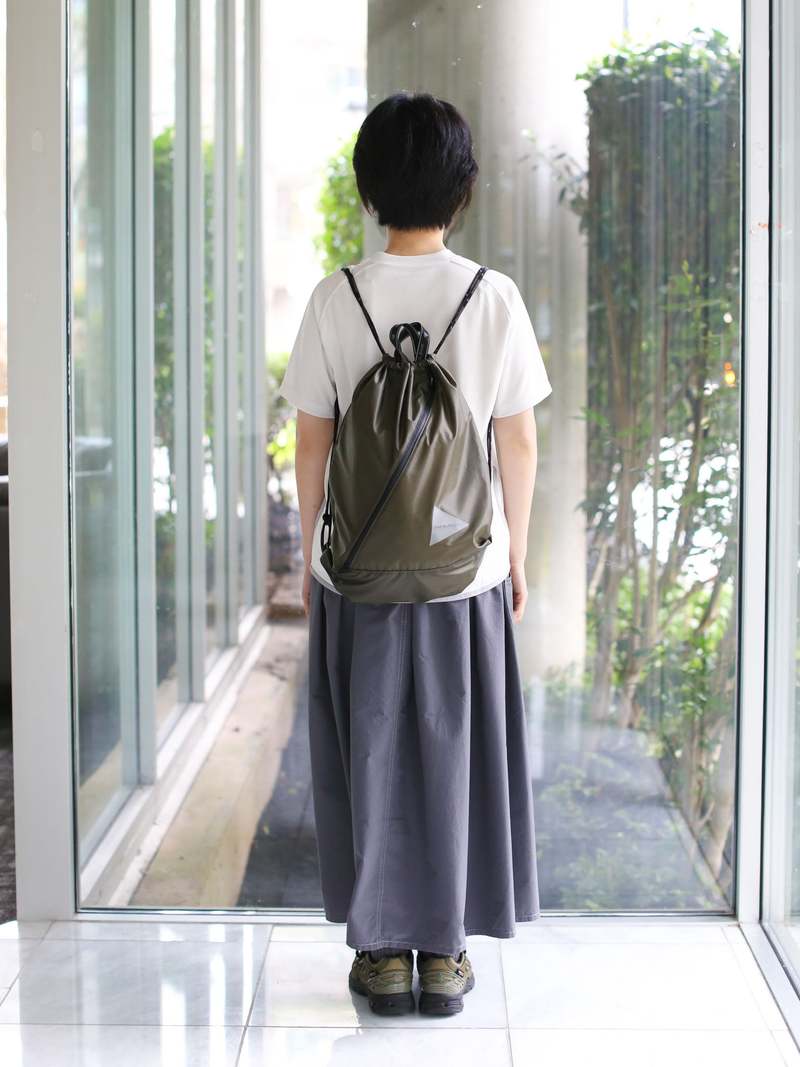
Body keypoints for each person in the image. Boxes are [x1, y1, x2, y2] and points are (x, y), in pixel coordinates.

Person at [277, 90, 552, 1017]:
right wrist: (516, 555)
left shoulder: (335, 297)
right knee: (455, 754)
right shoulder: (493, 297)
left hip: (355, 575)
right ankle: (445, 953)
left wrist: (312, 551)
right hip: (464, 574)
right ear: (462, 188)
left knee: (369, 753)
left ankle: (382, 954)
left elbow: (312, 444)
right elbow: (517, 442)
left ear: (369, 190)